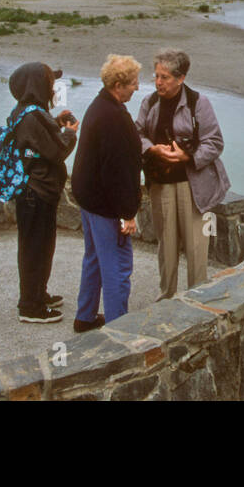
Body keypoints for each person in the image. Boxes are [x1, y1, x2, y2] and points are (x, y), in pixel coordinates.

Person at [135, 49, 230, 301]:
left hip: (194, 186)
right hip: (161, 184)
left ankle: (197, 298)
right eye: (156, 76)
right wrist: (152, 149)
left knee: (196, 246)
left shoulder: (200, 103)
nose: (158, 82)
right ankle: (166, 296)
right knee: (166, 245)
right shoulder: (149, 103)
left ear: (181, 78)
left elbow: (215, 142)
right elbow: (137, 134)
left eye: (164, 77)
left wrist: (187, 157)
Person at [71, 54, 143, 331]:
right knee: (118, 266)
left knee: (93, 257)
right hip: (104, 206)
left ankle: (85, 316)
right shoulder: (114, 117)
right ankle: (118, 330)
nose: (137, 88)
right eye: (133, 83)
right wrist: (127, 214)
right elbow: (118, 172)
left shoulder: (97, 105)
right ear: (118, 85)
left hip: (88, 200)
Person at [8, 62, 78, 323]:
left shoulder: (24, 112)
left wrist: (57, 123)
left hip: (33, 192)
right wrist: (70, 133)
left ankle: (38, 294)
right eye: (50, 81)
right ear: (38, 84)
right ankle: (30, 306)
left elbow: (40, 144)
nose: (53, 87)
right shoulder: (34, 116)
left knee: (37, 246)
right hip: (36, 192)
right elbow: (57, 151)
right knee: (36, 248)